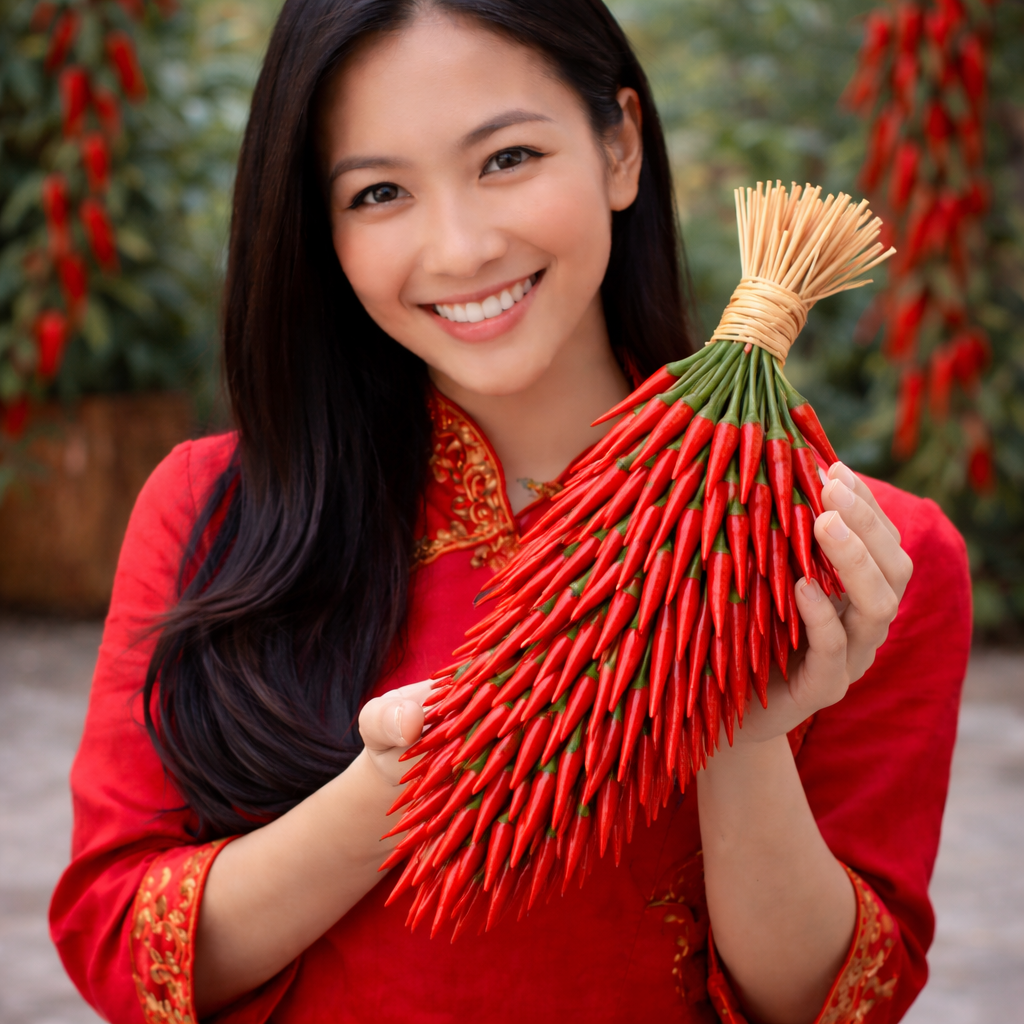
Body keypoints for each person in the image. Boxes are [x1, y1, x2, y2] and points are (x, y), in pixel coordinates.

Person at [49, 2, 972, 1022]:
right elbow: (119, 947)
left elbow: (837, 1002)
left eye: (506, 159)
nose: (458, 247)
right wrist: (388, 794)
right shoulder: (212, 509)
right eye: (380, 191)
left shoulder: (854, 559)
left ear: (619, 147)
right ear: (321, 226)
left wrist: (741, 737)